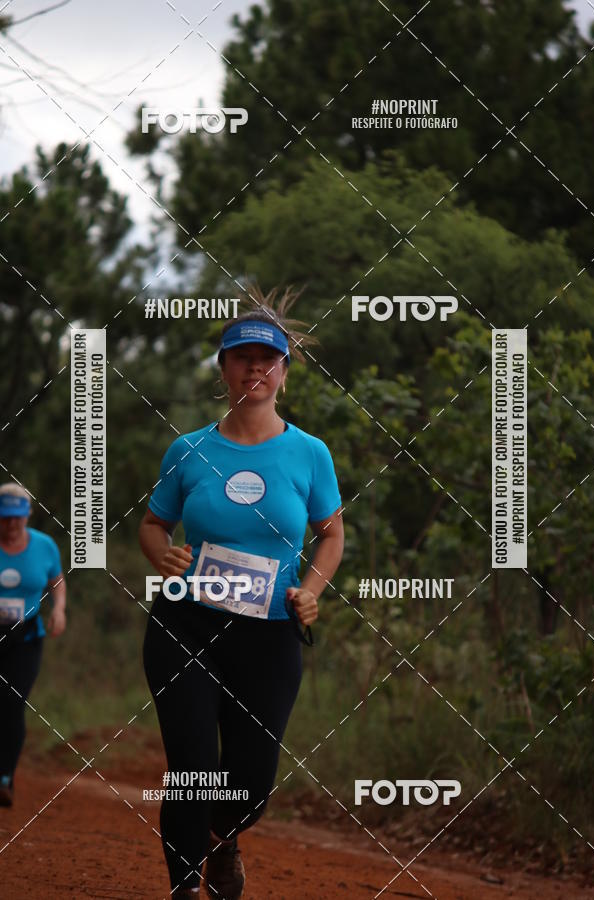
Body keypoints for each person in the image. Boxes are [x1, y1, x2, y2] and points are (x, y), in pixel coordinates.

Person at [140, 286, 344, 899]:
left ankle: (222, 836)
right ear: (224, 368)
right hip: (186, 623)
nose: (255, 367)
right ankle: (184, 888)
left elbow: (331, 535)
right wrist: (163, 554)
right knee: (193, 770)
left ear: (285, 370)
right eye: (242, 357)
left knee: (251, 784)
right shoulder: (190, 449)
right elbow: (154, 524)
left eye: (268, 358)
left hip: (268, 630)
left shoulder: (310, 453)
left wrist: (310, 590)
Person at [0, 482, 66, 806]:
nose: (11, 524)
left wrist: (59, 608)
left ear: (27, 514)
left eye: (17, 517)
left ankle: (4, 778)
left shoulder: (44, 546)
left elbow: (56, 580)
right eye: (4, 517)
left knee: (12, 704)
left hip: (25, 637)